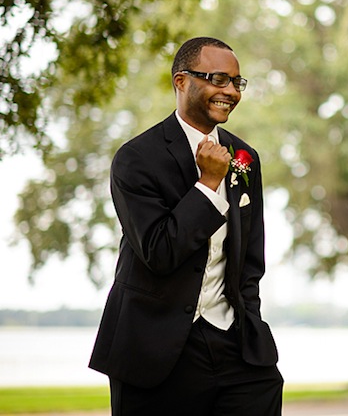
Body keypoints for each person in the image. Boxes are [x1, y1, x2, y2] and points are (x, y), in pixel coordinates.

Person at [89, 37, 282, 415]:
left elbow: (250, 257)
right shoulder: (136, 159)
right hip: (155, 351)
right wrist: (208, 183)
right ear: (181, 81)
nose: (229, 91)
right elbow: (160, 252)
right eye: (218, 79)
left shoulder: (245, 158)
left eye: (236, 82)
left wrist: (248, 319)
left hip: (235, 345)